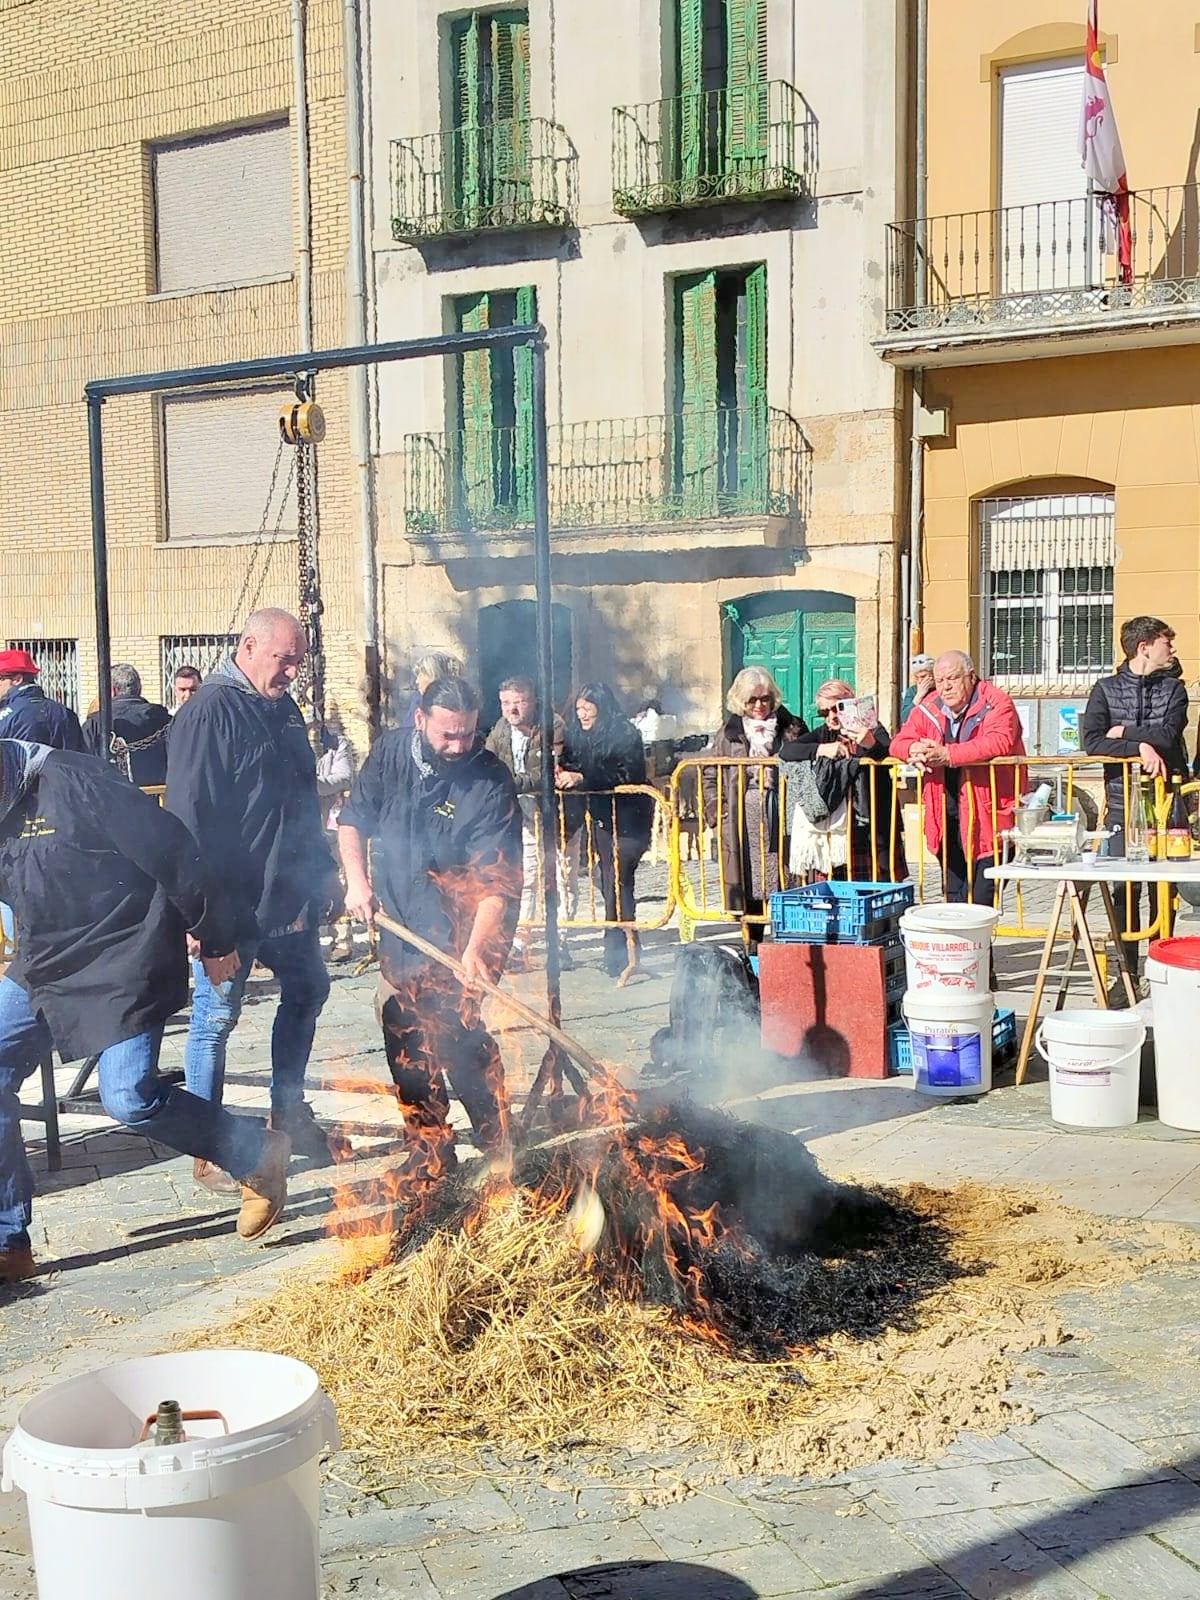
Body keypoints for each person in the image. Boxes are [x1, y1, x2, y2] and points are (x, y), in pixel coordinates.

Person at [0, 740, 291, 1278]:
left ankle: (255, 1153)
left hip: (124, 952)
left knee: (128, 1096)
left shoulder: (77, 780)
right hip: (47, 958)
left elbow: (174, 851)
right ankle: (8, 1239)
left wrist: (216, 937)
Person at [166, 608, 339, 1191]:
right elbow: (187, 817)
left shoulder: (281, 708)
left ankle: (288, 1110)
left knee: (310, 987)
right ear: (248, 646)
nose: (293, 670)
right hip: (232, 903)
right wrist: (199, 913)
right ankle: (208, 1141)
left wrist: (323, 878)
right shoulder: (210, 710)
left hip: (288, 895)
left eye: (299, 660)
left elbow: (301, 799)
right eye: (284, 658)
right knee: (216, 1018)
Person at [338, 676, 522, 1162]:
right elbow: (353, 820)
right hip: (401, 926)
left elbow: (496, 883)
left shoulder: (490, 781)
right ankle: (430, 1147)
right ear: (420, 720)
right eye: (448, 735)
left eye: (467, 733)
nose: (460, 745)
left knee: (457, 1033)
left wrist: (475, 950)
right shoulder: (391, 754)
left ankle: (498, 1138)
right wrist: (357, 882)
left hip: (467, 929)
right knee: (404, 1035)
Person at [1083, 616, 1189, 994]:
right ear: (1144, 647)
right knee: (1125, 891)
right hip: (1121, 804)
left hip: (1167, 806)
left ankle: (1162, 969)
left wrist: (1125, 732)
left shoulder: (1174, 689)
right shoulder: (1107, 689)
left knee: (1165, 891)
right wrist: (1139, 748)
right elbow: (1092, 740)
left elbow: (1168, 734)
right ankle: (1125, 973)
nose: (1172, 649)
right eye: (1166, 642)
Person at [891, 649, 1024, 905]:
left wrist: (947, 754)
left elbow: (998, 742)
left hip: (988, 816)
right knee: (954, 899)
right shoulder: (929, 706)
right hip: (945, 816)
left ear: (971, 677)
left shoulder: (996, 702)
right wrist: (912, 750)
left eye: (952, 678)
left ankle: (979, 943)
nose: (945, 687)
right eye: (939, 680)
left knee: (980, 900)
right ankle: (965, 943)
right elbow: (898, 741)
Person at [555, 685, 654, 980]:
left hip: (630, 816)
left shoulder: (625, 733)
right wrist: (561, 770)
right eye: (579, 709)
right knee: (606, 877)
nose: (582, 715)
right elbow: (571, 761)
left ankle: (618, 951)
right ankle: (626, 943)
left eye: (588, 708)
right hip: (601, 817)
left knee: (618, 879)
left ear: (602, 706)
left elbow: (627, 774)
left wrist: (585, 777)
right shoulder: (578, 734)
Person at [485, 675, 577, 969]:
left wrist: (511, 782)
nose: (511, 710)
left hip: (558, 813)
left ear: (532, 701)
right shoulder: (500, 729)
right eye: (505, 703)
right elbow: (490, 763)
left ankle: (562, 940)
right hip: (520, 812)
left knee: (563, 875)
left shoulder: (553, 726)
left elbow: (551, 772)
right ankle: (520, 942)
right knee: (527, 876)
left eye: (518, 702)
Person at [701, 668, 807, 919]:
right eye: (752, 700)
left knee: (785, 874)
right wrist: (718, 807)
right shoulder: (728, 733)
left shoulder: (792, 727)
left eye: (765, 698)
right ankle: (752, 941)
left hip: (782, 810)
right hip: (742, 816)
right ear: (741, 701)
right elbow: (710, 773)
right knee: (749, 879)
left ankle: (786, 938)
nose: (759, 705)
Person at [780, 678, 907, 882]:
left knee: (879, 883)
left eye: (836, 709)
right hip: (838, 822)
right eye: (824, 712)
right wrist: (821, 749)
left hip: (872, 819)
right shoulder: (824, 733)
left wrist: (870, 744)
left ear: (849, 704)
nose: (831, 717)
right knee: (838, 884)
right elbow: (787, 750)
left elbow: (887, 751)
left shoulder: (872, 727)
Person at [313, 714, 357, 963]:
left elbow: (344, 777)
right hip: (301, 824)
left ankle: (342, 939)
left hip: (330, 822)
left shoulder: (338, 745)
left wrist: (312, 784)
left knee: (337, 880)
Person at [83, 663, 172, 785]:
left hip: (112, 799)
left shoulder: (95, 724)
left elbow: (84, 768)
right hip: (160, 799)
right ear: (139, 689)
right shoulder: (166, 720)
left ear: (112, 691)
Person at [0, 650, 83, 751]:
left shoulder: (6, 717)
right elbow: (81, 758)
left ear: (17, 679)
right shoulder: (65, 712)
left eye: (0, 678)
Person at [401, 651, 465, 729]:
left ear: (433, 677)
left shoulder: (461, 704)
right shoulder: (418, 700)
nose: (417, 681)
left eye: (421, 675)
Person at [900, 653, 936, 723]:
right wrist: (919, 696)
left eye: (923, 676)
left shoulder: (940, 689)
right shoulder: (912, 691)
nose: (919, 680)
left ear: (933, 675)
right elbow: (905, 718)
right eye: (917, 677)